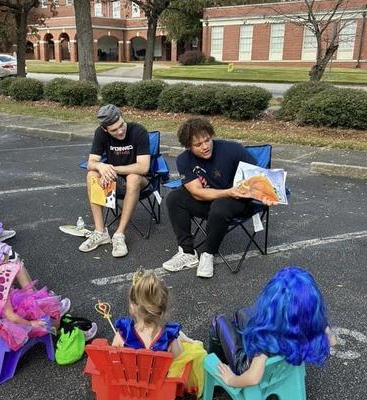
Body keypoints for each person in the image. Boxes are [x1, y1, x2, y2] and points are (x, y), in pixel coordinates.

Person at [162, 117, 277, 278]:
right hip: (215, 197)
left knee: (220, 207)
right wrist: (227, 192)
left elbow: (259, 177)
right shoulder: (184, 160)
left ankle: (208, 254)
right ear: (189, 147)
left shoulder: (233, 149)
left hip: (239, 202)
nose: (205, 146)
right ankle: (187, 252)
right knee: (175, 198)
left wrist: (266, 195)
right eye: (198, 144)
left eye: (207, 140)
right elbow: (196, 192)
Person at [209, 266, 337, 388]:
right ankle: (237, 338)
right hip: (284, 356)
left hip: (245, 368)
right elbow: (332, 341)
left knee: (219, 320)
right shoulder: (314, 321)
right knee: (241, 313)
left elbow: (253, 378)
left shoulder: (266, 336)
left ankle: (218, 363)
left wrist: (231, 379)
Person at [0, 241, 89, 351]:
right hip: (12, 326)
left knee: (36, 303)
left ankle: (55, 313)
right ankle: (71, 334)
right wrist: (31, 323)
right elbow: (11, 317)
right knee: (47, 318)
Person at [112, 271, 207, 397]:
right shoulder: (168, 337)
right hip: (159, 385)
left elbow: (113, 355)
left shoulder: (122, 334)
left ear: (133, 307)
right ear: (162, 308)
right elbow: (178, 355)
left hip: (130, 384)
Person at [79, 104, 150, 258]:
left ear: (122, 117)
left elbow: (143, 167)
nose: (120, 131)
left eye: (121, 126)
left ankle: (119, 234)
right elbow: (91, 163)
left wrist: (111, 169)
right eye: (113, 130)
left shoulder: (138, 131)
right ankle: (100, 231)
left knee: (133, 177)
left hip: (141, 180)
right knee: (92, 174)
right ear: (105, 130)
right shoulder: (100, 133)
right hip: (114, 180)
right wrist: (100, 167)